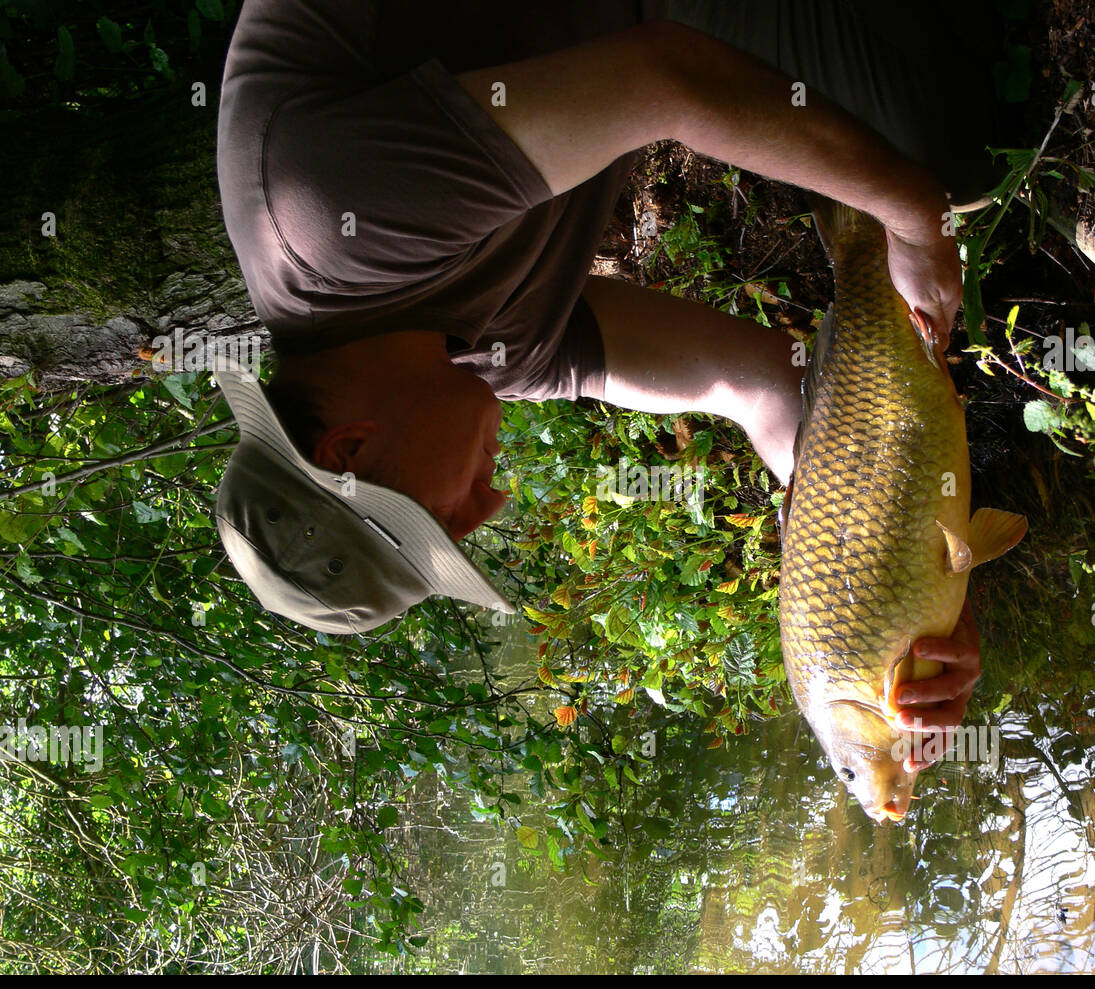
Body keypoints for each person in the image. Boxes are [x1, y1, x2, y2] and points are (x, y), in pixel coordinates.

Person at [213, 0, 1000, 768]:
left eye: (446, 521)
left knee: (939, 158)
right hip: (645, 22)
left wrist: (916, 220)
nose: (489, 507)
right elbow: (760, 384)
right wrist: (902, 587)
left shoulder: (326, 221)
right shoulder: (486, 362)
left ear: (350, 447)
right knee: (935, 136)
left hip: (653, 35)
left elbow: (661, 76)